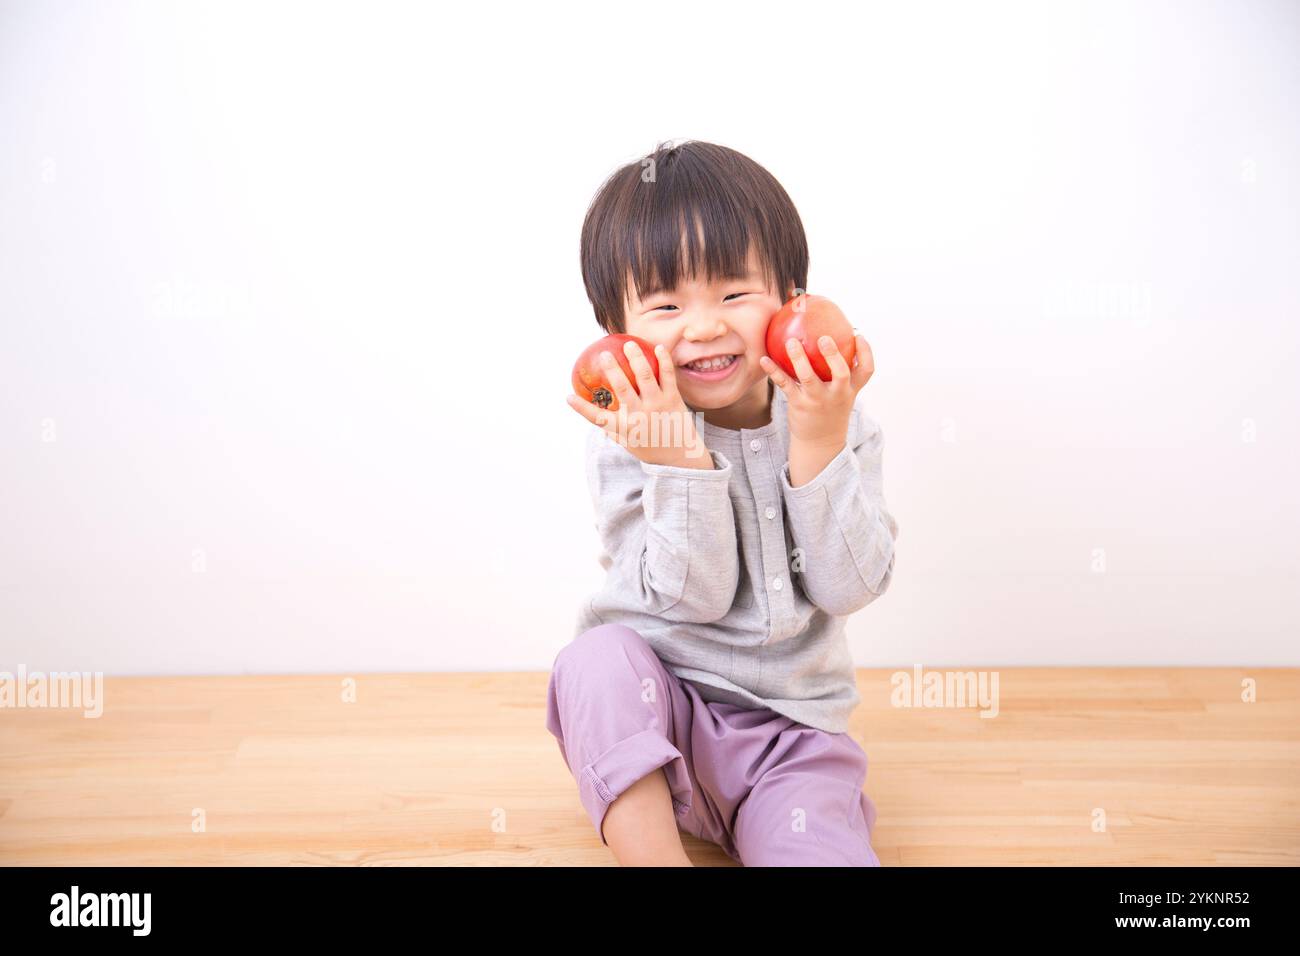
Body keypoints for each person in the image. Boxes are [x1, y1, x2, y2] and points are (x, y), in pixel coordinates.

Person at [549, 139, 899, 866]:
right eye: (667, 303)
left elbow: (848, 587)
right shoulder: (627, 439)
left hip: (792, 740)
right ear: (618, 331)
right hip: (658, 722)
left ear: (790, 298)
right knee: (595, 660)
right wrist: (678, 459)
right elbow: (692, 598)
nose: (704, 326)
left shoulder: (840, 420)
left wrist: (819, 440)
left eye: (733, 293)